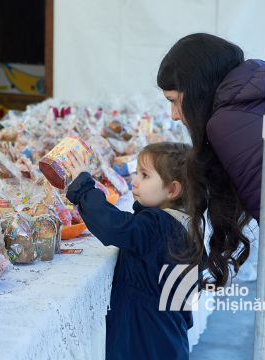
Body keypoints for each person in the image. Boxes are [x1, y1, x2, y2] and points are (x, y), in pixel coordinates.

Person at [157, 33, 265, 326]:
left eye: (174, 101)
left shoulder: (229, 122)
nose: (173, 115)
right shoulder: (261, 84)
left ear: (198, 88)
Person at [65, 142, 202, 360]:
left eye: (145, 175)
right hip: (169, 333)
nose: (134, 180)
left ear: (172, 190)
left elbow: (113, 226)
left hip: (141, 336)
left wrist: (84, 186)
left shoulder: (156, 225)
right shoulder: (187, 226)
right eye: (137, 172)